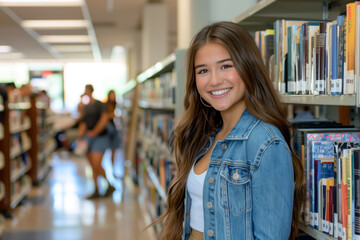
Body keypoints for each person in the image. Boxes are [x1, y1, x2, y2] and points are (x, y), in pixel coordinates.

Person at [154, 22, 305, 240]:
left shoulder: (266, 143)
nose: (214, 80)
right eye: (203, 71)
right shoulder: (205, 136)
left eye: (226, 66)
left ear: (248, 67)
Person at [77, 84, 115, 199]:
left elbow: (104, 119)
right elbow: (83, 122)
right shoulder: (85, 107)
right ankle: (96, 189)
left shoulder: (100, 104)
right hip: (88, 138)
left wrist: (94, 132)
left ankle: (109, 184)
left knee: (97, 163)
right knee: (92, 165)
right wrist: (80, 136)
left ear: (91, 91)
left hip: (100, 138)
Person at [105, 89, 121, 177]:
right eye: (111, 95)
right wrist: (113, 115)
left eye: (114, 95)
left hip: (113, 128)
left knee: (113, 151)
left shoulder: (115, 104)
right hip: (109, 129)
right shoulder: (106, 105)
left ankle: (113, 170)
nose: (113, 97)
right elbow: (106, 116)